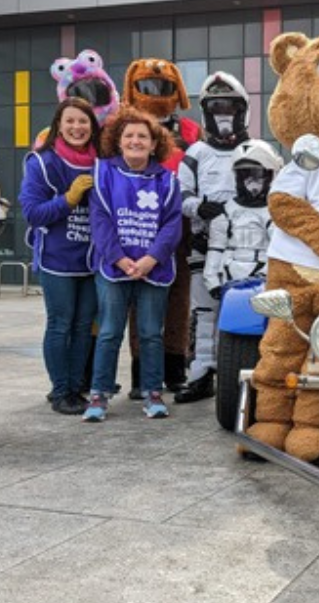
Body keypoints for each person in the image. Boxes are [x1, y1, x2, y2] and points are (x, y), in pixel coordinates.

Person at [83, 106, 182, 422]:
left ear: (154, 144)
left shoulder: (167, 180)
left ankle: (153, 393)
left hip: (154, 269)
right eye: (130, 136)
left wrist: (151, 259)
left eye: (143, 136)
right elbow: (99, 221)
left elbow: (172, 225)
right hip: (115, 268)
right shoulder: (103, 173)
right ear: (118, 140)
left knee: (152, 333)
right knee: (110, 332)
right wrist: (121, 260)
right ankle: (99, 395)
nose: (136, 141)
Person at [121, 57, 201, 399]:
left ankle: (174, 368)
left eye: (163, 87)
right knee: (140, 302)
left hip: (180, 224)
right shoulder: (126, 127)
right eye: (147, 87)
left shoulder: (190, 131)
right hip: (137, 223)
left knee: (179, 301)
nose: (155, 94)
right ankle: (141, 374)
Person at [19, 98, 101, 415]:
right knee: (60, 325)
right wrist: (68, 200)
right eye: (70, 121)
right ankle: (60, 391)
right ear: (59, 124)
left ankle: (76, 387)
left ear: (92, 126)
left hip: (92, 260)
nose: (77, 127)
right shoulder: (42, 162)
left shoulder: (102, 162)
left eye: (83, 121)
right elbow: (32, 213)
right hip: (57, 261)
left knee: (83, 326)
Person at [175, 71, 251, 403]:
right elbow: (179, 197)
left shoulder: (255, 149)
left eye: (230, 108)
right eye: (216, 108)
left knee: (245, 311)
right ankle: (202, 373)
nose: (224, 115)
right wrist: (199, 208)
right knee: (204, 313)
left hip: (247, 248)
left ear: (242, 111)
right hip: (204, 245)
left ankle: (241, 375)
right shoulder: (195, 154)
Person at [202, 139, 282, 297]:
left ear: (271, 175)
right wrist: (212, 282)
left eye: (257, 174)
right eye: (244, 174)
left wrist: (266, 275)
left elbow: (279, 252)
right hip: (229, 277)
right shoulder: (225, 211)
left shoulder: (276, 213)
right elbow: (216, 249)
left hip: (263, 279)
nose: (250, 181)